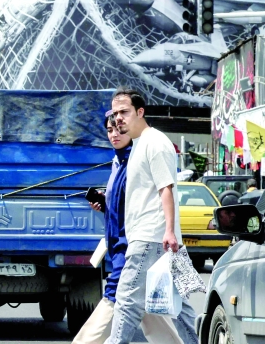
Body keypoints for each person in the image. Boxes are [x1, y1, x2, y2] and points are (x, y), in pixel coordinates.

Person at [73, 112, 182, 344]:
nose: (114, 134)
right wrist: (106, 205)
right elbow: (126, 209)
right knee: (152, 312)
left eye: (120, 130)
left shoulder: (136, 161)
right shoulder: (118, 163)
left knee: (115, 299)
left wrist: (168, 230)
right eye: (110, 130)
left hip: (133, 248)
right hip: (121, 247)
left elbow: (156, 198)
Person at [104, 88, 197, 344]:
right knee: (179, 308)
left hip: (151, 237)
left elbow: (165, 187)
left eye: (124, 112)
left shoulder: (154, 143)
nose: (118, 118)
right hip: (158, 238)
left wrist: (168, 230)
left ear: (140, 112)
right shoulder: (138, 145)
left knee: (126, 302)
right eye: (115, 113)